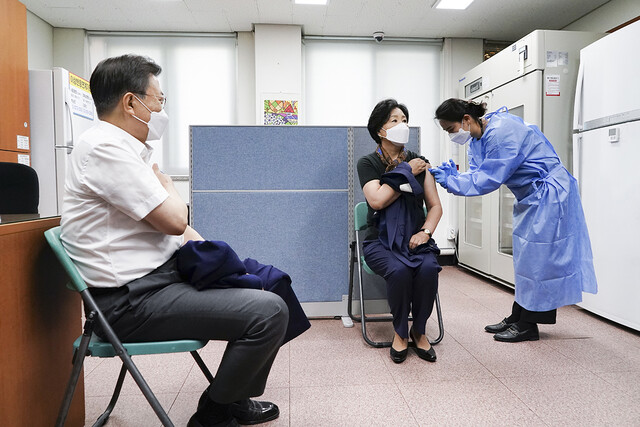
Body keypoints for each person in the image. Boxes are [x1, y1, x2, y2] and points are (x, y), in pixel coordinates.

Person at [60, 54, 309, 427]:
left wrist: (222, 260)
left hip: (157, 280)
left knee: (269, 281)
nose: (161, 108)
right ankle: (215, 411)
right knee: (267, 312)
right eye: (158, 99)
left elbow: (173, 226)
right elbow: (176, 219)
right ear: (132, 102)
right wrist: (171, 188)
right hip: (129, 303)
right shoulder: (104, 150)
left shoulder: (126, 150)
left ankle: (234, 394)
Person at [430, 98, 597, 343]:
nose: (451, 135)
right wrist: (456, 175)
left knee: (538, 261)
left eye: (450, 129)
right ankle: (518, 316)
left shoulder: (501, 131)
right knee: (525, 259)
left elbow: (488, 179)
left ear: (466, 120)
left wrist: (451, 182)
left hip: (549, 194)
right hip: (531, 196)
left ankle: (528, 325)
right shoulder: (477, 139)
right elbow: (477, 172)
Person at [356, 99, 442, 363]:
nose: (402, 124)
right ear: (379, 130)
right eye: (394, 120)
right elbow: (377, 201)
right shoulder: (368, 163)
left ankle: (419, 331)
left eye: (404, 119)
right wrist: (406, 171)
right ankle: (400, 332)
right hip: (378, 242)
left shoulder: (420, 162)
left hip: (416, 239)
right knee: (400, 271)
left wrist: (425, 233)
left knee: (428, 269)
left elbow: (435, 206)